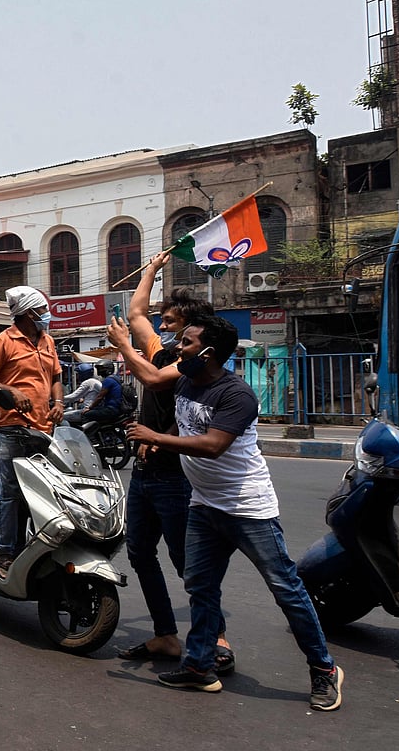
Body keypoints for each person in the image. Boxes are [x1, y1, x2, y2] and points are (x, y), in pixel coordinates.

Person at [127, 314, 343, 710]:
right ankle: (198, 666)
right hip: (204, 504)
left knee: (286, 590)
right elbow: (189, 427)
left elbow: (212, 444)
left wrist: (154, 436)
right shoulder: (188, 382)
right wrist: (166, 441)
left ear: (208, 353)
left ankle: (324, 669)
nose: (178, 346)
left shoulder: (237, 394)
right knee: (200, 587)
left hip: (247, 508)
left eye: (187, 342)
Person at [106, 251, 231, 668]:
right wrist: (153, 271)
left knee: (187, 562)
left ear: (195, 333)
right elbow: (137, 311)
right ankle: (165, 635)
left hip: (176, 476)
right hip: (144, 474)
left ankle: (218, 640)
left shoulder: (189, 364)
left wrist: (124, 346)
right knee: (140, 552)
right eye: (165, 322)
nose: (163, 328)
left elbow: (156, 381)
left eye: (173, 323)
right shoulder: (164, 349)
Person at [0, 286, 64, 571]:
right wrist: (11, 391)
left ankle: (33, 544)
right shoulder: (3, 341)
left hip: (44, 428)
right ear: (28, 313)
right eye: (42, 310)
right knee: (11, 490)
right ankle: (3, 548)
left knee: (43, 490)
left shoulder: (48, 341)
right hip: (13, 427)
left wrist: (59, 402)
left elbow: (56, 377)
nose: (46, 315)